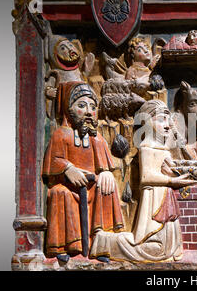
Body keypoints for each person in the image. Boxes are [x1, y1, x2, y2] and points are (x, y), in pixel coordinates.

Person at [89, 100, 197, 262]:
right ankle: (104, 241)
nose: (167, 125)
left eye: (168, 120)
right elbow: (146, 177)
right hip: (154, 199)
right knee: (152, 250)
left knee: (169, 249)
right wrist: (172, 181)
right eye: (161, 119)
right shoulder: (147, 147)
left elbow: (171, 168)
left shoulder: (163, 148)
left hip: (165, 198)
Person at [42, 82, 124, 263]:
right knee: (59, 193)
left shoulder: (96, 138)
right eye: (81, 105)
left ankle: (100, 245)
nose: (88, 111)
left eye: (93, 107)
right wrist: (68, 168)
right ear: (68, 109)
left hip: (91, 187)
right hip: (69, 188)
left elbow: (105, 165)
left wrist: (106, 173)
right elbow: (53, 162)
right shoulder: (61, 134)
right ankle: (64, 246)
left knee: (106, 187)